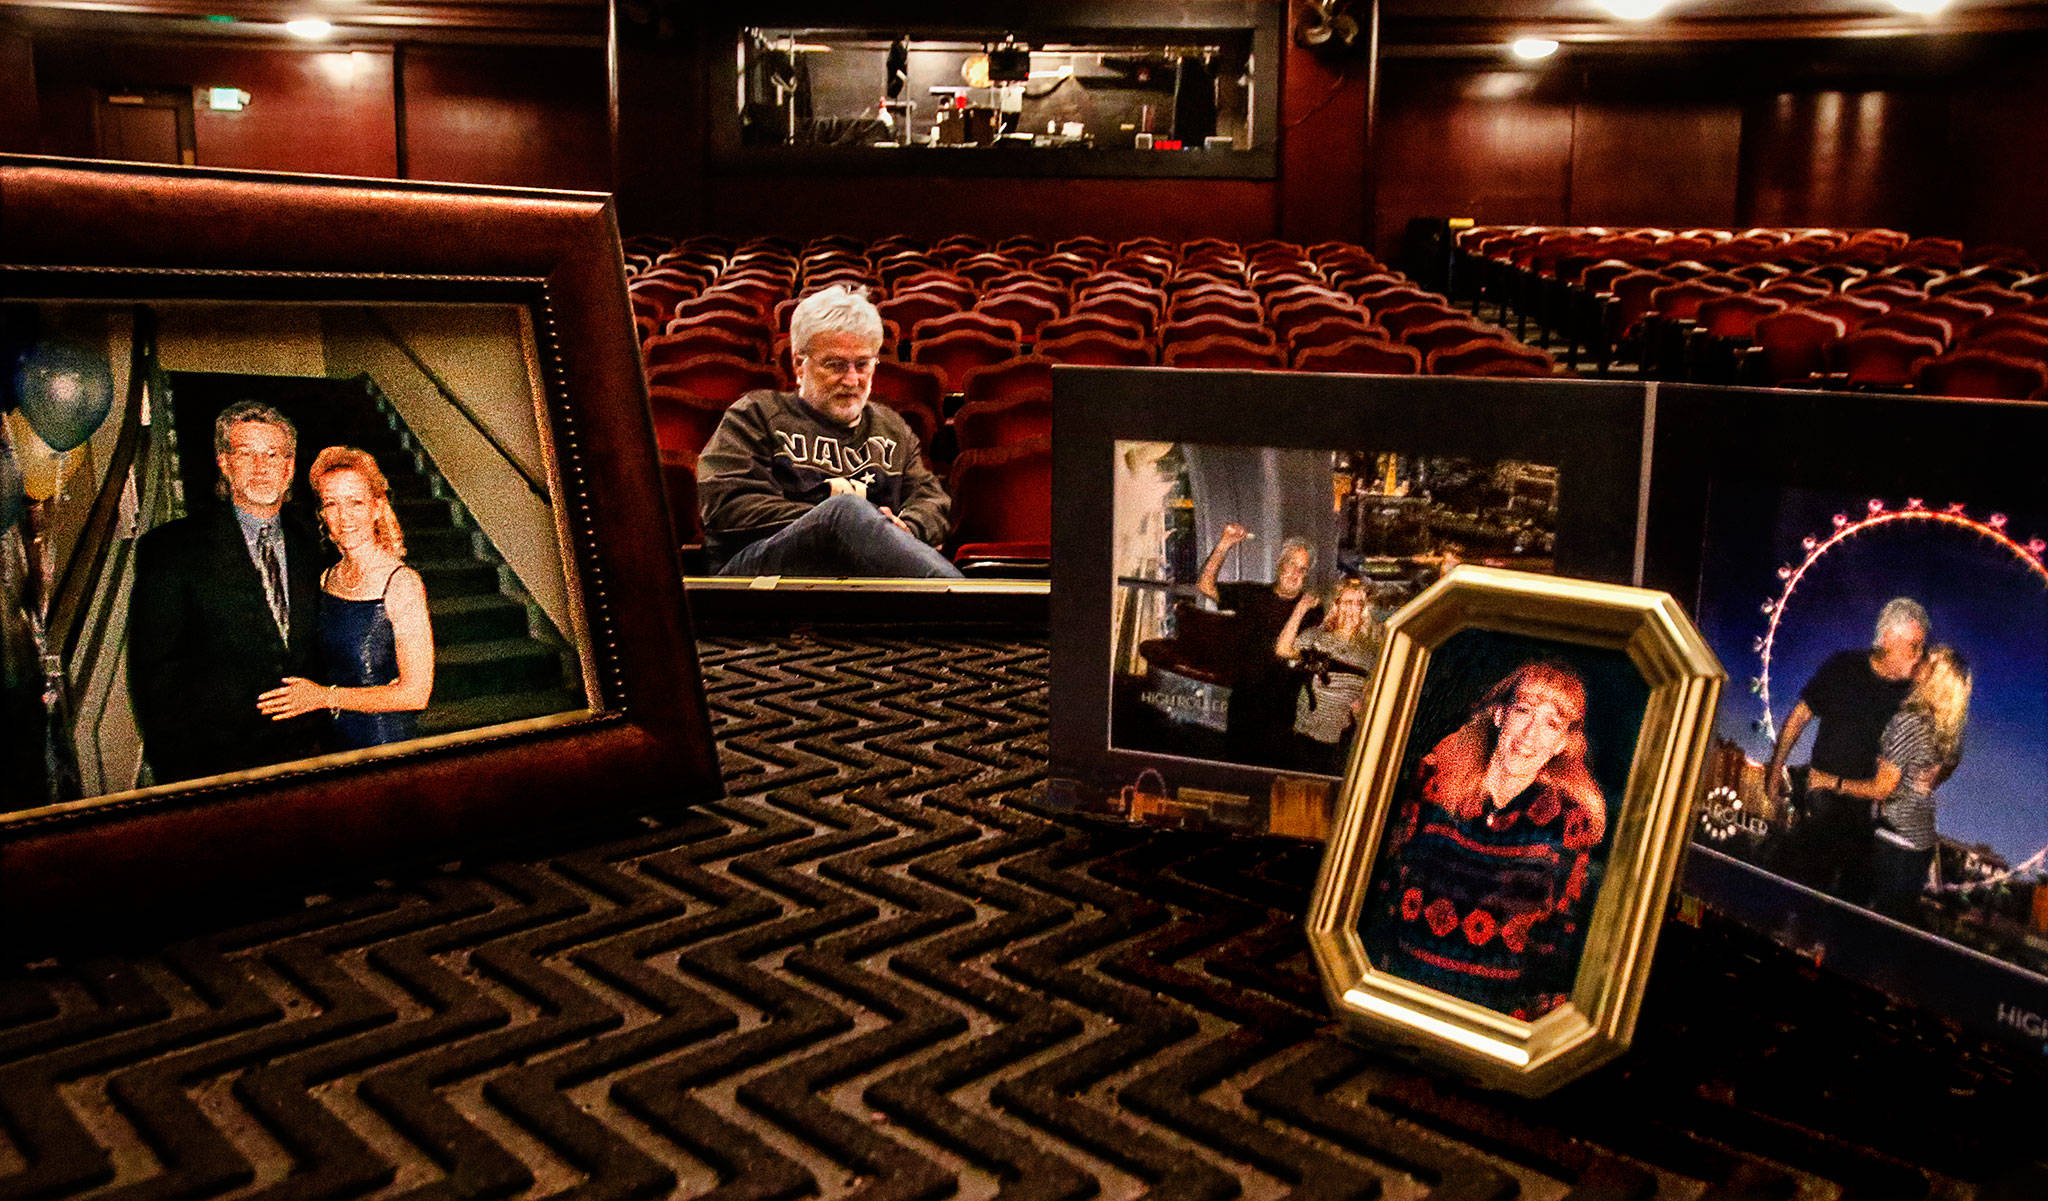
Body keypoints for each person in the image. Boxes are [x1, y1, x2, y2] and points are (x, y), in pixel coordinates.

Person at [1365, 660, 1608, 1020]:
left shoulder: (1569, 820)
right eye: (1523, 711)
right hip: (1404, 992)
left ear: (1562, 744)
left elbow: (1562, 937)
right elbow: (1384, 888)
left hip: (1495, 1013)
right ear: (1499, 715)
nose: (1529, 734)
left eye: (1551, 724)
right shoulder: (1434, 782)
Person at [697, 285, 962, 578]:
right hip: (756, 576)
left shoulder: (892, 429)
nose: (852, 380)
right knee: (845, 511)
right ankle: (973, 611)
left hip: (865, 583)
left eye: (862, 364)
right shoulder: (754, 414)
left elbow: (934, 502)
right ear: (799, 363)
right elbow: (728, 507)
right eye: (835, 365)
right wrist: (847, 519)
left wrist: (905, 527)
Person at [128, 401, 327, 784]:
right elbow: (155, 678)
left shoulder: (314, 543)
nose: (261, 467)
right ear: (223, 462)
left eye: (273, 454)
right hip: (218, 768)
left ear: (289, 467)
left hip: (308, 762)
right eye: (245, 453)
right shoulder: (171, 549)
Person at [256, 447, 434, 749]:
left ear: (377, 507)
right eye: (332, 504)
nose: (344, 516)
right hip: (332, 742)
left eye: (355, 502)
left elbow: (416, 694)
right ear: (322, 513)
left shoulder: (402, 584)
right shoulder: (328, 578)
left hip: (384, 745)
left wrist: (324, 697)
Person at [1766, 597, 1929, 900]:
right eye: (1914, 646)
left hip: (1866, 814)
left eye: (1921, 648)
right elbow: (1800, 715)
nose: (1919, 656)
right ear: (1888, 639)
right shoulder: (1844, 667)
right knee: (1805, 879)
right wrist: (1775, 769)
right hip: (1820, 800)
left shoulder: (1911, 699)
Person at [1805, 644, 1970, 922]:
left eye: (1929, 661)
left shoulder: (1911, 721)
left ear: (1937, 679)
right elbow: (1951, 763)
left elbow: (1882, 788)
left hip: (1893, 842)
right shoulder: (1947, 729)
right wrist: (1926, 783)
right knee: (1887, 931)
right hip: (1920, 844)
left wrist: (1830, 781)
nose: (1920, 660)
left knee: (1846, 921)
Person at [1197, 523, 1320, 763]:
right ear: (1279, 565)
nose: (1295, 573)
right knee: (1236, 767)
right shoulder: (1252, 595)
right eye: (1291, 565)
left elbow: (1304, 654)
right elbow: (1205, 585)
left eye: (1302, 569)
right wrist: (1224, 544)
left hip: (1284, 710)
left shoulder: (1313, 610)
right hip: (1245, 703)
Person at [1274, 578, 1386, 776]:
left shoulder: (1371, 650)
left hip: (1341, 741)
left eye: (1358, 604)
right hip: (1306, 735)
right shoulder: (1316, 637)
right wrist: (1301, 608)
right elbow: (1283, 650)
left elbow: (1378, 693)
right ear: (1336, 605)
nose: (1352, 609)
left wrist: (1363, 706)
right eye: (1347, 602)